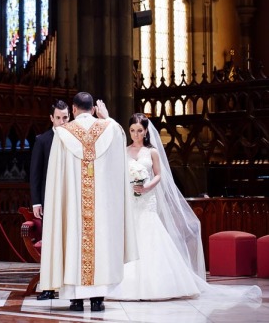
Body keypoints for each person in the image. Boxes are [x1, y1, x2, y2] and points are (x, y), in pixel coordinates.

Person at [108, 113, 262, 305]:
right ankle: (125, 284)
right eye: (132, 130)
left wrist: (147, 186)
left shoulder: (152, 151)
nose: (136, 134)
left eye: (139, 130)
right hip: (131, 201)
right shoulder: (125, 151)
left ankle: (158, 285)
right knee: (132, 239)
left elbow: (158, 175)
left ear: (146, 131)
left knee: (150, 237)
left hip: (147, 200)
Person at [39, 92, 138, 312]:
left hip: (73, 206)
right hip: (101, 207)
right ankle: (97, 299)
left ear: (73, 110)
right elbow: (120, 150)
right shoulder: (111, 129)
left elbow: (56, 178)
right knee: (100, 242)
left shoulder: (63, 133)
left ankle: (75, 299)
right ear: (93, 109)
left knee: (73, 239)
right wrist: (107, 117)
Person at [29, 99, 69, 300]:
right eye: (59, 118)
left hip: (70, 201)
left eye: (66, 118)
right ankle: (48, 287)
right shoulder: (43, 140)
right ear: (51, 118)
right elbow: (35, 173)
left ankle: (68, 286)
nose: (62, 122)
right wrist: (37, 202)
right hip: (49, 201)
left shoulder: (74, 138)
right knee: (51, 243)